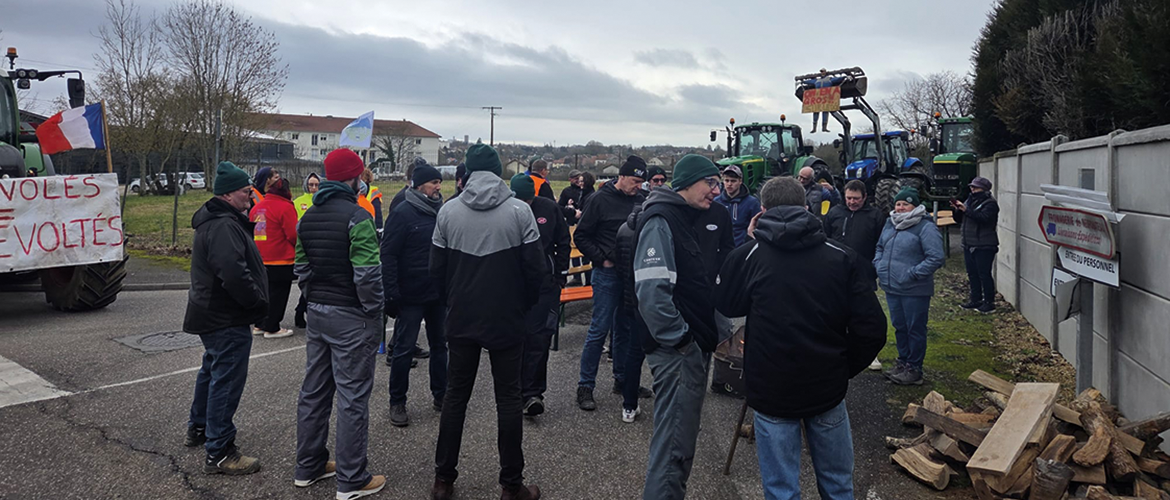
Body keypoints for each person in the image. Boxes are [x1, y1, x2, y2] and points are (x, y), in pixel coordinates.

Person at [714, 177, 887, 500]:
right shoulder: (841, 256)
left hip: (771, 387)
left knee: (782, 491)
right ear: (807, 207)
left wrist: (750, 243)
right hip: (825, 385)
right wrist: (843, 367)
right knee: (837, 485)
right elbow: (873, 328)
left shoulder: (750, 255)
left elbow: (726, 303)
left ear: (762, 211)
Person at [431, 143, 544, 500]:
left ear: (466, 172)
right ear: (498, 171)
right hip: (506, 317)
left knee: (455, 398)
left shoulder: (447, 212)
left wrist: (455, 302)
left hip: (462, 316)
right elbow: (537, 273)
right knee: (509, 400)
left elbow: (435, 274)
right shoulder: (519, 212)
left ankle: (443, 482)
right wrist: (520, 306)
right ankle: (511, 486)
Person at [294, 148, 386, 499]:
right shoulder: (357, 216)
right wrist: (372, 310)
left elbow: (301, 267)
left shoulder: (308, 215)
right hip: (351, 316)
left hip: (318, 311)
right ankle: (352, 479)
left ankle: (309, 465)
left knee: (314, 391)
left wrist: (313, 295)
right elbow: (367, 274)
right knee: (352, 397)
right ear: (354, 177)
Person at [634, 154, 722, 499]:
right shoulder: (661, 220)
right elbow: (653, 293)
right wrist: (683, 340)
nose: (716, 191)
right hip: (677, 353)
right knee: (673, 447)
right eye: (710, 183)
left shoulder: (680, 217)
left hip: (686, 348)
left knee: (680, 442)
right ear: (687, 182)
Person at [183, 160, 269, 475]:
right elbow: (233, 274)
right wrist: (257, 304)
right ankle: (220, 451)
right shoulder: (223, 225)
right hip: (225, 316)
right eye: (247, 191)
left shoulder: (221, 220)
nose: (251, 196)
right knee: (226, 379)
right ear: (229, 194)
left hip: (213, 313)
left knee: (212, 371)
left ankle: (200, 427)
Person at [572, 156, 647, 411]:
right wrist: (601, 259)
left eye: (642, 181)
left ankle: (624, 380)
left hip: (631, 275)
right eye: (635, 181)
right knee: (599, 329)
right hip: (607, 273)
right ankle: (585, 386)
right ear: (622, 177)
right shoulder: (600, 199)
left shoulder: (641, 200)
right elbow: (581, 235)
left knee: (625, 329)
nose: (639, 186)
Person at [383, 164, 448, 428]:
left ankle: (441, 395)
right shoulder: (402, 213)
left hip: (438, 293)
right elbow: (388, 254)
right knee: (403, 349)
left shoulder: (443, 212)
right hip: (410, 295)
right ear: (420, 185)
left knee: (440, 346)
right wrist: (391, 293)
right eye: (434, 182)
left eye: (439, 182)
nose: (438, 187)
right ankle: (397, 401)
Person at [509, 174, 571, 417]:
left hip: (545, 284)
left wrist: (560, 276)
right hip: (512, 286)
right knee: (514, 339)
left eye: (529, 200)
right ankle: (512, 391)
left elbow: (563, 241)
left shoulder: (549, 209)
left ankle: (533, 394)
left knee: (539, 339)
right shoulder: (505, 210)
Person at [874, 186, 945, 386]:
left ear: (915, 205)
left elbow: (936, 257)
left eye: (906, 204)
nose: (901, 207)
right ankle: (902, 362)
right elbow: (880, 246)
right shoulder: (890, 223)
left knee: (915, 328)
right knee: (899, 326)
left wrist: (913, 274)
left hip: (914, 289)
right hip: (892, 286)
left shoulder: (925, 226)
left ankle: (915, 368)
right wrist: (878, 264)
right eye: (898, 204)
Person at [823, 179, 886, 370]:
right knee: (835, 312)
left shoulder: (876, 216)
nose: (852, 202)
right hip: (835, 273)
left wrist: (875, 267)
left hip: (864, 274)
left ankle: (871, 355)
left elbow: (881, 244)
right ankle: (835, 348)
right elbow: (824, 239)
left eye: (856, 199)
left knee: (864, 315)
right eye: (849, 198)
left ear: (865, 197)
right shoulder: (834, 213)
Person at [249, 177, 297, 339]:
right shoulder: (285, 207)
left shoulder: (258, 207)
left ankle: (259, 324)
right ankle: (272, 327)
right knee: (279, 295)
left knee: (263, 293)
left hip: (259, 257)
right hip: (281, 258)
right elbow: (292, 234)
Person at [953, 176, 1000, 314]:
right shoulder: (969, 200)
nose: (972, 189)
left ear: (984, 189)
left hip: (984, 244)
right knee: (972, 273)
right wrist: (957, 209)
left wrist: (966, 210)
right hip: (968, 243)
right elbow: (959, 220)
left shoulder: (990, 203)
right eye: (972, 187)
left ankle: (989, 302)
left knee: (984, 274)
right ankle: (975, 299)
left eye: (976, 187)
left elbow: (984, 219)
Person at [292, 172, 322, 329]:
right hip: (304, 245)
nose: (314, 188)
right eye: (311, 184)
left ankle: (302, 309)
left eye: (316, 185)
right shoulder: (299, 202)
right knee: (307, 282)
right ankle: (301, 310)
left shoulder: (322, 201)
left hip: (319, 245)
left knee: (314, 283)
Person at [714, 165, 761, 247]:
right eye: (726, 180)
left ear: (740, 181)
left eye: (733, 181)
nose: (729, 184)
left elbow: (757, 228)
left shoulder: (752, 203)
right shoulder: (716, 202)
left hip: (742, 248)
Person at [802, 68, 846, 133]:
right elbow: (809, 82)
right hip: (818, 98)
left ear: (825, 72)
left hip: (826, 98)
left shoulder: (829, 79)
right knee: (816, 111)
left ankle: (824, 127)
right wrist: (803, 81)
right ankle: (814, 128)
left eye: (823, 71)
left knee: (825, 111)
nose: (822, 72)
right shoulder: (816, 80)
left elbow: (837, 79)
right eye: (821, 71)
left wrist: (844, 77)